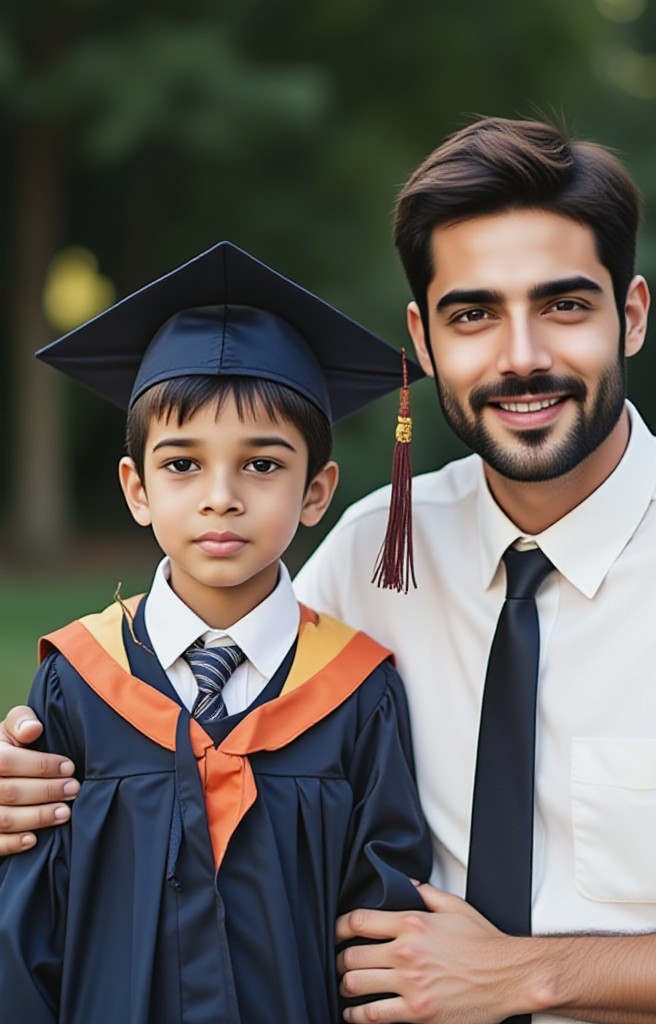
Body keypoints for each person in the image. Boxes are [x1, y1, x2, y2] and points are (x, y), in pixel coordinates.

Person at [2, 118, 656, 1024]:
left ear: (631, 314)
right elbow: (209, 716)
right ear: (424, 335)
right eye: (474, 314)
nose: (521, 355)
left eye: (564, 305)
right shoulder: (374, 554)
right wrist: (26, 783)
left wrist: (530, 975)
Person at [0, 240, 431, 1024]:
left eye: (263, 465)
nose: (221, 497)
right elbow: (27, 933)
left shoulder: (359, 695)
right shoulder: (75, 681)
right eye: (182, 464)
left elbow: (386, 934)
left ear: (316, 491)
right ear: (136, 488)